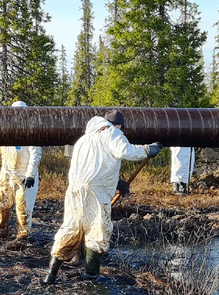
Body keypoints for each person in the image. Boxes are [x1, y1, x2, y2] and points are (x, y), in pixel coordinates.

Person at [43, 110, 161, 285]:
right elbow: (125, 151)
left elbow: (95, 165)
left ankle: (50, 275)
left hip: (75, 189)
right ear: (119, 125)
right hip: (95, 191)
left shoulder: (84, 139)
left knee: (71, 227)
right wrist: (147, 149)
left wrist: (117, 182)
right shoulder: (112, 132)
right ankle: (91, 275)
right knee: (97, 228)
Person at [0, 101, 43, 240]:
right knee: (1, 203)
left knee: (23, 207)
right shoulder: (7, 130)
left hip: (24, 176)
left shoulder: (31, 131)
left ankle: (22, 235)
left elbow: (35, 154)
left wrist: (30, 175)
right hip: (7, 173)